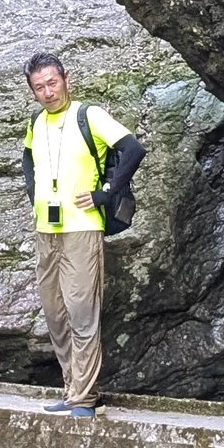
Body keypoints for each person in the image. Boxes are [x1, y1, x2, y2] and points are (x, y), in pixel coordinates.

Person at [19, 52, 145, 416]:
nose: (47, 92)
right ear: (32, 91)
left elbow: (132, 149)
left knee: (81, 313)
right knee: (55, 314)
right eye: (39, 87)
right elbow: (29, 160)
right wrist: (35, 195)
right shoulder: (36, 121)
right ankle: (71, 387)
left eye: (52, 83)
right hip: (47, 229)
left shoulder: (88, 115)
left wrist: (104, 192)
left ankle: (85, 397)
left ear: (65, 79)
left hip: (82, 229)